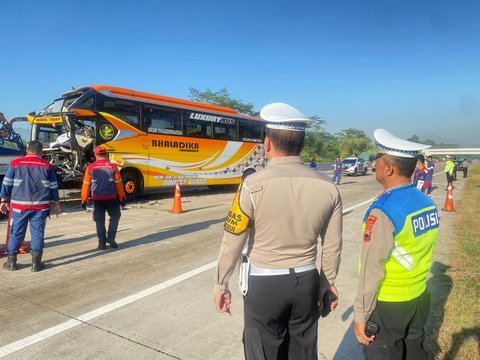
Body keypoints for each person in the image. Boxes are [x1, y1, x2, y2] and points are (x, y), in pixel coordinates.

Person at [213, 103, 343, 359]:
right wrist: (327, 284)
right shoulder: (328, 187)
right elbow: (332, 245)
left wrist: (221, 284)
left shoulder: (251, 186)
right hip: (306, 282)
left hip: (264, 285)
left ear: (268, 143)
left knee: (262, 351)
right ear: (302, 146)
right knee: (304, 352)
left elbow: (233, 240)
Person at [354, 129, 439, 359]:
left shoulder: (383, 210)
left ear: (389, 168)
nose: (375, 166)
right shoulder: (426, 202)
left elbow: (372, 267)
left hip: (389, 303)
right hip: (419, 297)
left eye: (378, 161)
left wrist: (361, 314)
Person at [0, 140, 62, 271]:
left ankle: (12, 262)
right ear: (41, 152)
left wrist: (3, 201)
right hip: (40, 207)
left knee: (16, 232)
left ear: (27, 151)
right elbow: (53, 187)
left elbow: (7, 184)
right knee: (38, 233)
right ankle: (36, 263)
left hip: (19, 207)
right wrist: (56, 203)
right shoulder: (48, 166)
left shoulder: (15, 164)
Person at [81, 145, 126, 250]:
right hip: (111, 198)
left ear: (95, 155)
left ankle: (102, 244)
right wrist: (122, 197)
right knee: (115, 217)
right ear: (105, 154)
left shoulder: (90, 168)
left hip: (97, 199)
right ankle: (111, 238)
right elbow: (119, 184)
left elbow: (86, 184)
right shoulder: (113, 167)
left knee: (99, 221)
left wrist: (85, 199)